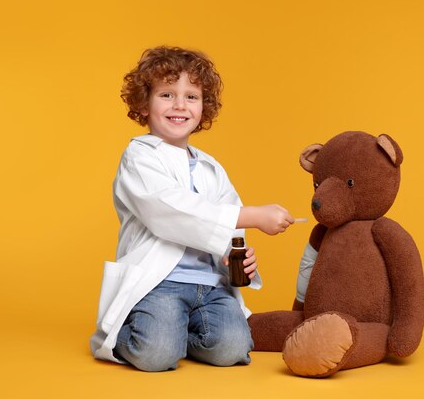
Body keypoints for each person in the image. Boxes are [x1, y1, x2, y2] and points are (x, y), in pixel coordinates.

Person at [90, 46, 294, 372]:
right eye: (167, 94)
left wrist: (234, 259)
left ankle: (175, 332)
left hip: (211, 285)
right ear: (144, 104)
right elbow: (171, 211)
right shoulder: (140, 156)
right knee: (155, 356)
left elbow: (228, 229)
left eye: (192, 97)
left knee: (233, 349)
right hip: (161, 284)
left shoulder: (211, 168)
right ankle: (119, 334)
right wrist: (254, 215)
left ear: (204, 107)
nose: (180, 105)